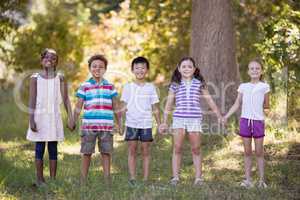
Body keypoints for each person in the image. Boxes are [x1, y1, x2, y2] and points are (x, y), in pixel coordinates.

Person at [159, 57, 222, 186]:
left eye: (189, 66)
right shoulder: (175, 84)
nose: (186, 69)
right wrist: (164, 121)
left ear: (194, 69)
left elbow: (209, 99)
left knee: (196, 148)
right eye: (184, 66)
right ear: (179, 69)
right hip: (179, 119)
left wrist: (219, 115)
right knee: (177, 148)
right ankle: (175, 177)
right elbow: (169, 103)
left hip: (194, 119)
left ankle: (198, 178)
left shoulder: (199, 83)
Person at [27, 48, 73, 186]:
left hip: (54, 117)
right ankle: (40, 179)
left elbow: (66, 99)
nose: (49, 60)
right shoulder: (35, 78)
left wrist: (70, 117)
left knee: (53, 148)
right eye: (46, 57)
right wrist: (31, 120)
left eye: (53, 58)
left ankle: (53, 180)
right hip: (39, 117)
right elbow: (32, 100)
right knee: (39, 148)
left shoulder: (60, 78)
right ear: (41, 61)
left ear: (56, 62)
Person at [72, 54, 122, 184]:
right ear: (89, 68)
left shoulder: (110, 86)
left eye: (101, 66)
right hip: (89, 126)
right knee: (86, 152)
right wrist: (73, 119)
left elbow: (116, 105)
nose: (97, 69)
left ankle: (107, 179)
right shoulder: (85, 86)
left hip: (106, 126)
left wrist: (119, 123)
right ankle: (83, 179)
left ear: (105, 69)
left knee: (106, 152)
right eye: (94, 66)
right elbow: (79, 105)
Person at [223, 60, 270, 188]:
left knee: (259, 152)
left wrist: (267, 113)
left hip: (258, 122)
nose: (255, 70)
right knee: (247, 152)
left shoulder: (264, 87)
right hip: (245, 121)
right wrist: (226, 116)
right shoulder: (243, 86)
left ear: (261, 71)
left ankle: (261, 181)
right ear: (248, 71)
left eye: (257, 68)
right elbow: (237, 103)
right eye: (252, 68)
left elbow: (267, 105)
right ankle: (248, 180)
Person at [120, 56, 161, 186]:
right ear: (132, 70)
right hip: (131, 124)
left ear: (147, 70)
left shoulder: (151, 87)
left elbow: (155, 108)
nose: (140, 70)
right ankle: (132, 178)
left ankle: (145, 178)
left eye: (143, 68)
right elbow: (123, 108)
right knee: (132, 150)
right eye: (137, 68)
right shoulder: (128, 87)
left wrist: (160, 124)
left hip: (146, 124)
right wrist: (120, 124)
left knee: (145, 151)